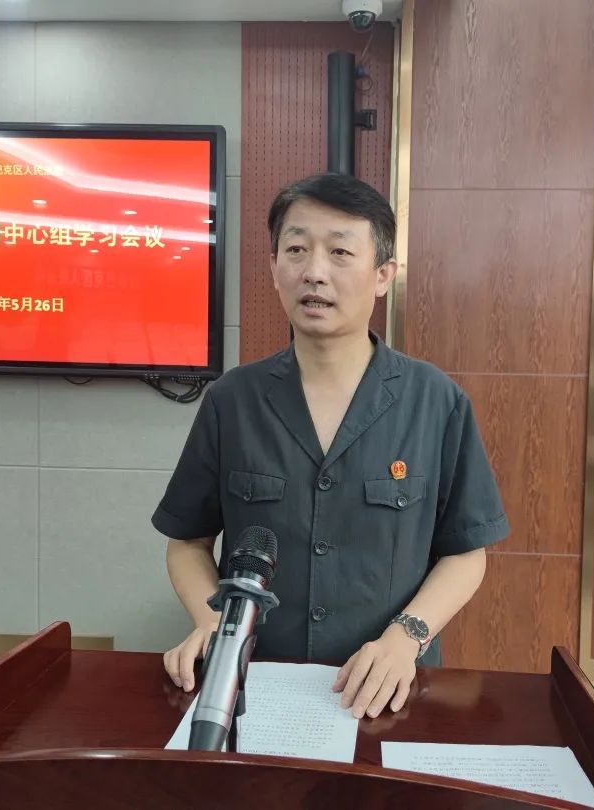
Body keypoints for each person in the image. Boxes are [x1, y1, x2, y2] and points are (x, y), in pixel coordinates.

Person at [152, 173, 507, 720]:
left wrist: (405, 638)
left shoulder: (436, 400)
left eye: (340, 252)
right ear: (274, 268)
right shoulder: (232, 400)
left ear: (383, 275)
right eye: (296, 250)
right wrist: (213, 624)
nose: (314, 271)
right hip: (254, 685)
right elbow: (188, 542)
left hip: (385, 693)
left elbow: (465, 551)